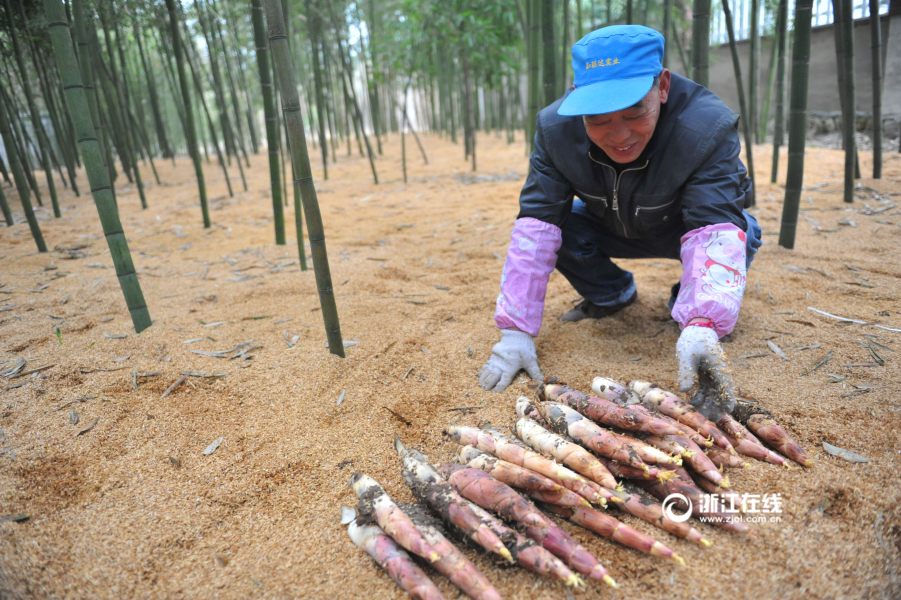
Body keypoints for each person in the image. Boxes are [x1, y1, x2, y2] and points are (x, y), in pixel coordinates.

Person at [478, 25, 762, 421]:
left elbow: (714, 223)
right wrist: (515, 330)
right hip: (607, 225)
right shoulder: (556, 128)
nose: (619, 135)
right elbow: (537, 225)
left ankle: (687, 300)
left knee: (743, 231)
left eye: (634, 113)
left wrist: (703, 321)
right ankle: (612, 294)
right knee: (561, 230)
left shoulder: (706, 127)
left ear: (662, 86)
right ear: (577, 100)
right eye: (597, 120)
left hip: (681, 227)